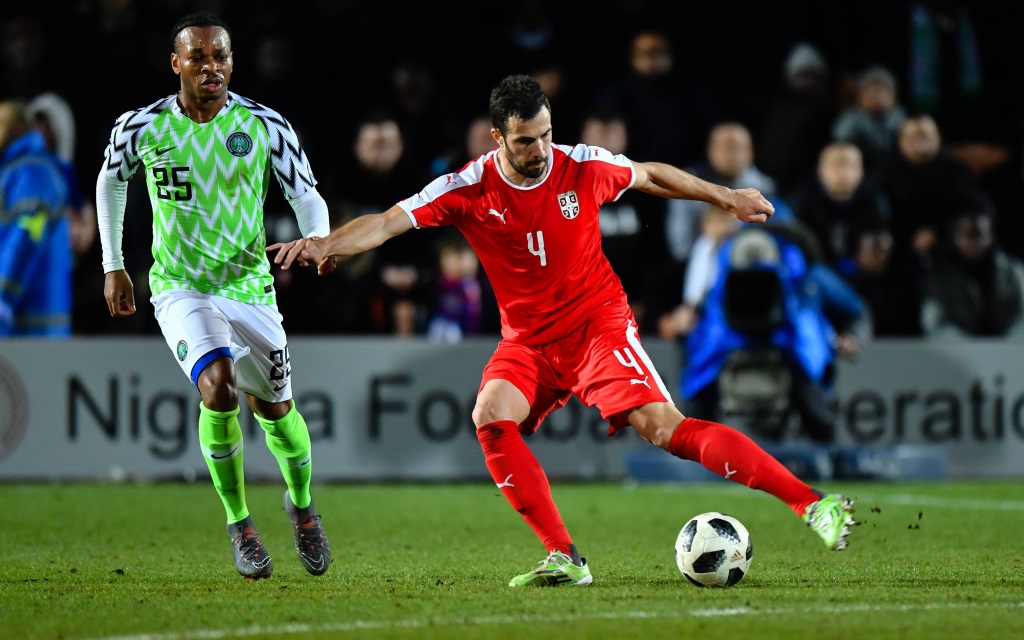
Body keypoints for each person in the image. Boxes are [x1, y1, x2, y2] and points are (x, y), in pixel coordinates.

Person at [270, 74, 857, 587]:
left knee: (663, 430)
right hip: (527, 340)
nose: (542, 148)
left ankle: (814, 505)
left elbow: (651, 174)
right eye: (527, 139)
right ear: (497, 137)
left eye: (547, 133)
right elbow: (388, 222)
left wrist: (725, 196)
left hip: (597, 327)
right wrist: (327, 244)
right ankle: (564, 556)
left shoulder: (582, 165)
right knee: (490, 416)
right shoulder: (467, 188)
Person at [94, 11, 331, 581]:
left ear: (231, 61)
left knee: (277, 411)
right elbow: (110, 180)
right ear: (176, 63)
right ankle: (240, 523)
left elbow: (306, 194)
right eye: (197, 57)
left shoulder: (266, 125)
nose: (210, 67)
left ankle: (301, 506)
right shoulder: (142, 126)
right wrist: (114, 265)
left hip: (249, 285)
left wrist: (318, 240)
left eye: (220, 56)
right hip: (180, 285)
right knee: (218, 385)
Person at [0, 99, 73, 338]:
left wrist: (3, 295)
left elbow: (27, 233)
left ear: (17, 129)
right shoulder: (22, 168)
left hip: (31, 325)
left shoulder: (31, 169)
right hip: (32, 323)